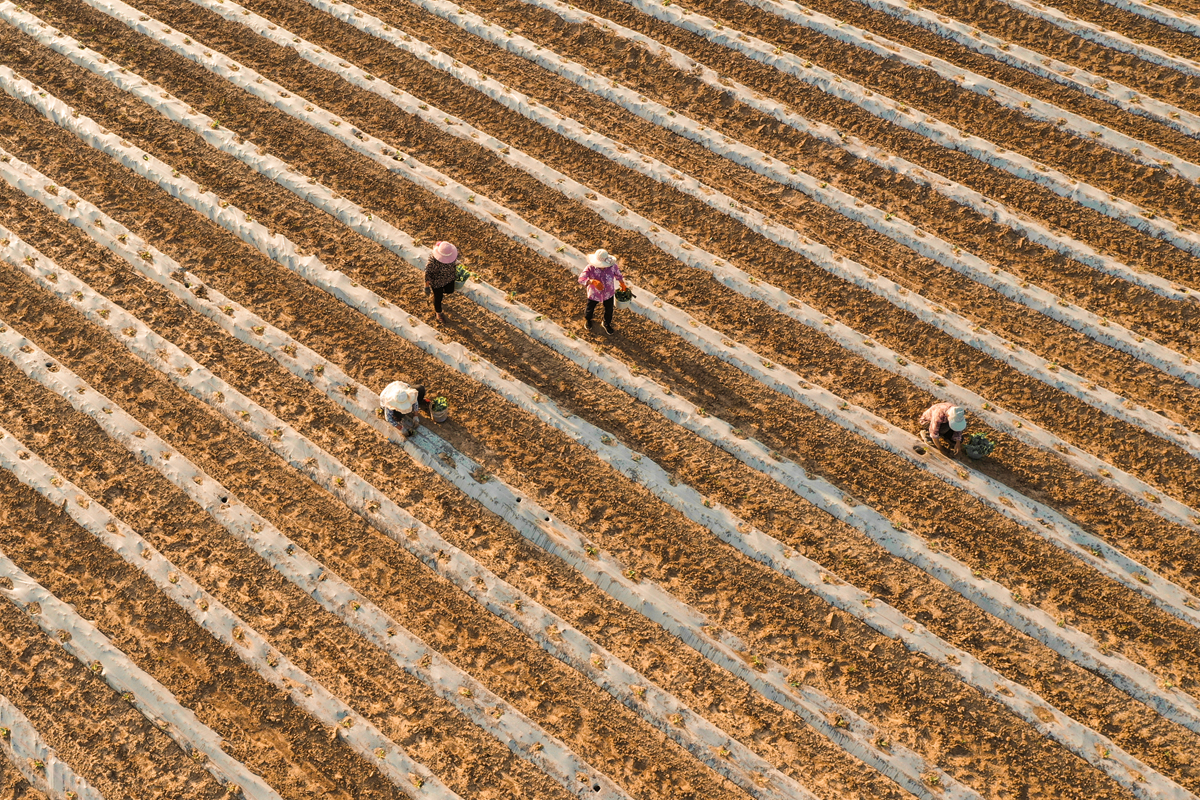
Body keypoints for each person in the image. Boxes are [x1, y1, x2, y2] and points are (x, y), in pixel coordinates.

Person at [578, 248, 627, 336]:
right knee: (590, 308)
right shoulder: (590, 267)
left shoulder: (612, 266)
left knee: (609, 309)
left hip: (608, 293)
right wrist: (592, 281)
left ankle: (606, 323)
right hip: (594, 293)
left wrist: (622, 284)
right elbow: (581, 279)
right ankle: (588, 320)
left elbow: (618, 275)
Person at [425, 241, 459, 324]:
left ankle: (436, 295)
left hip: (449, 278)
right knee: (438, 299)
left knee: (450, 290)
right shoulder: (433, 261)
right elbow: (427, 274)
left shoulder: (452, 256)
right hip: (437, 283)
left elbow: (455, 264)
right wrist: (426, 287)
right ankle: (438, 313)